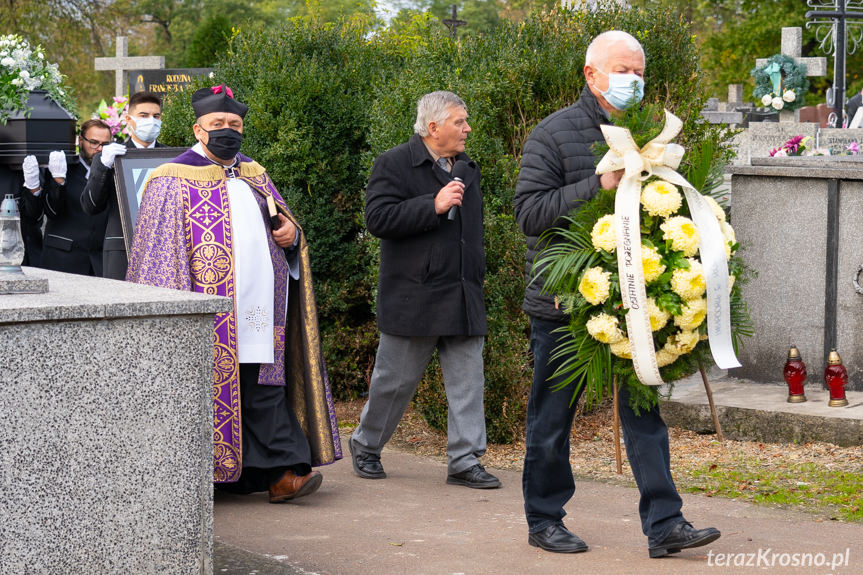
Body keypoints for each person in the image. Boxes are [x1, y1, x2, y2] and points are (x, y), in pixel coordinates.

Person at [514, 31, 721, 557]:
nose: (635, 81)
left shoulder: (649, 134)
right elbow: (529, 215)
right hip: (564, 303)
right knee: (552, 419)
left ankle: (665, 523)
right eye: (623, 70)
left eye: (640, 72)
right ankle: (544, 519)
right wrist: (597, 186)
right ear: (591, 74)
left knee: (643, 412)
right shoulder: (552, 133)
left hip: (634, 302)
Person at [126, 85, 341, 502]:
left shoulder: (255, 173)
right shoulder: (171, 178)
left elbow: (287, 228)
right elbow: (156, 254)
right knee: (206, 391)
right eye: (218, 125)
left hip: (261, 307)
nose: (228, 131)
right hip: (209, 312)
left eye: (235, 125)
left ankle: (285, 474)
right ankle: (194, 480)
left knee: (264, 387)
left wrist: (293, 235)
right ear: (198, 129)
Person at [348, 91, 499, 490]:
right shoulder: (394, 163)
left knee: (469, 383)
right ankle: (366, 444)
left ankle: (465, 461)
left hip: (464, 293)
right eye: (459, 122)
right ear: (433, 128)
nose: (467, 129)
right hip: (414, 296)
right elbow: (377, 218)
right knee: (393, 383)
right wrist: (430, 205)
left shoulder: (467, 167)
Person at [81, 91, 165, 280]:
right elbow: (90, 206)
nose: (151, 121)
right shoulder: (111, 156)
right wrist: (103, 166)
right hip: (122, 251)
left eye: (156, 116)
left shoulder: (171, 158)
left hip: (163, 249)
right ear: (129, 119)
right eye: (144, 116)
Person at [20, 119, 111, 275]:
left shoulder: (111, 171)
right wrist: (59, 182)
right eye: (94, 143)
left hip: (99, 261)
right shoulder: (61, 168)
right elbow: (51, 211)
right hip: (62, 258)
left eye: (105, 144)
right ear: (80, 140)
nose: (99, 149)